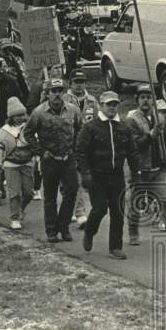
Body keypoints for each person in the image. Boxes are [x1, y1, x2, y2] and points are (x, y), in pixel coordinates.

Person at [75, 91, 141, 258]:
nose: (112, 107)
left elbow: (132, 152)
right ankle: (89, 232)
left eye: (114, 104)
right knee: (99, 209)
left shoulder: (124, 127)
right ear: (101, 106)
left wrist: (136, 172)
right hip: (97, 176)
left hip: (117, 176)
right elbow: (81, 152)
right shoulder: (90, 127)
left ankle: (115, 246)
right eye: (108, 104)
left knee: (118, 211)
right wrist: (85, 173)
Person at [24, 77, 82, 243]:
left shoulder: (73, 110)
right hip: (50, 160)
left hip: (68, 158)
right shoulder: (39, 113)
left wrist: (76, 149)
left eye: (60, 91)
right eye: (53, 92)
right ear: (47, 94)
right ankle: (51, 230)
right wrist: (41, 152)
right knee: (50, 197)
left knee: (71, 191)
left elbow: (81, 129)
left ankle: (63, 227)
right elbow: (27, 134)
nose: (57, 95)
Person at [124, 86, 166, 245]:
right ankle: (133, 231)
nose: (146, 101)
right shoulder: (131, 120)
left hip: (158, 169)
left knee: (165, 200)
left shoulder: (160, 118)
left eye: (149, 97)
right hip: (140, 170)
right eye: (142, 97)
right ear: (137, 100)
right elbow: (134, 145)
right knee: (137, 202)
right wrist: (150, 136)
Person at [0, 97, 35, 230]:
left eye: (22, 114)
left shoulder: (29, 128)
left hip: (27, 162)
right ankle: (15, 217)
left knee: (29, 192)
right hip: (11, 164)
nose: (20, 117)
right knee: (14, 192)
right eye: (16, 115)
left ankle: (21, 208)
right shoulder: (4, 131)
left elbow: (35, 144)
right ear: (11, 116)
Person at [67, 68, 99, 227]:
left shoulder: (92, 101)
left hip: (89, 147)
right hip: (69, 146)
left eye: (82, 82)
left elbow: (99, 120)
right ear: (70, 83)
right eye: (76, 82)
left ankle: (78, 209)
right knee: (72, 181)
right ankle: (79, 212)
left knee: (86, 179)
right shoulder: (64, 99)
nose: (79, 86)